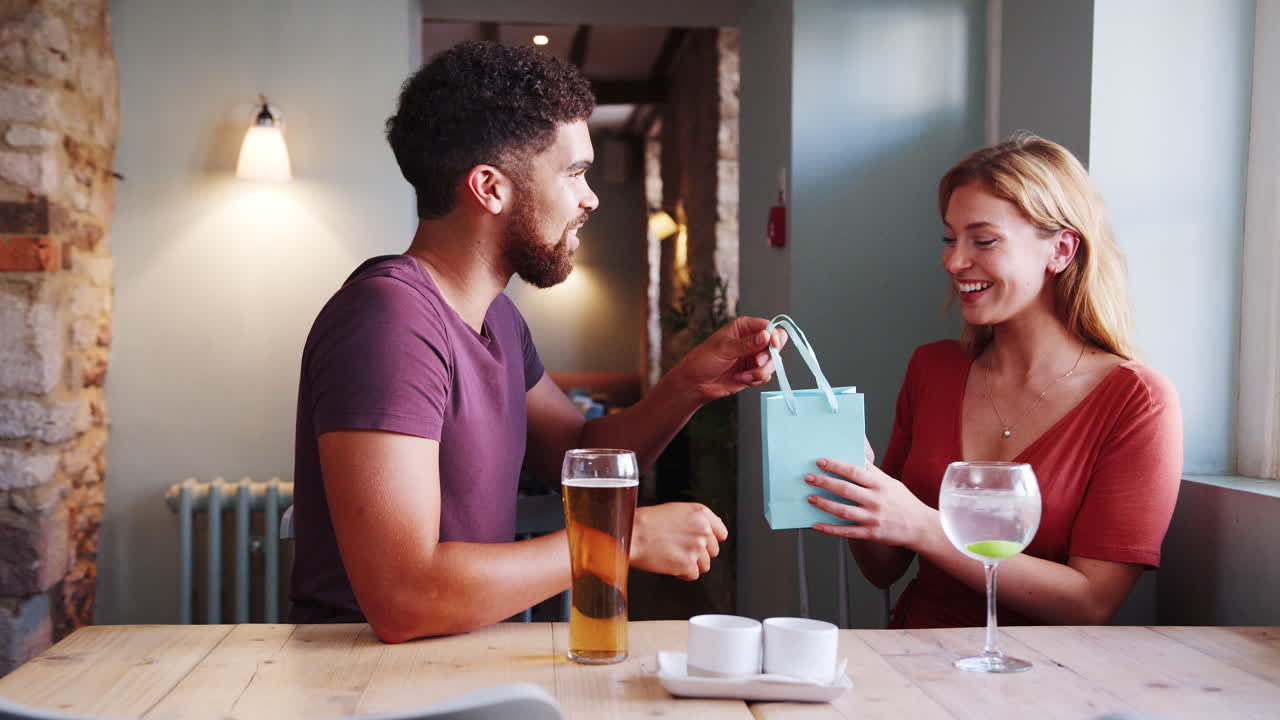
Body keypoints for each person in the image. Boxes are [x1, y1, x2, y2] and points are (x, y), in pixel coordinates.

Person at [288, 40, 786, 642]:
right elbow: (404, 596)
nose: (590, 197)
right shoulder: (389, 320)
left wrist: (690, 385)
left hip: (458, 663)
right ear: (489, 188)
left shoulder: (499, 318)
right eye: (574, 173)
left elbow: (579, 452)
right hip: (364, 676)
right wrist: (621, 539)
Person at [804, 135, 1182, 627]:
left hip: (1046, 670)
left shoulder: (1137, 400)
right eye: (949, 239)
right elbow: (883, 569)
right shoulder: (932, 369)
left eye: (983, 241)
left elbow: (1092, 603)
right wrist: (857, 486)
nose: (954, 261)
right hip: (915, 655)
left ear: (1061, 249)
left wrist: (924, 526)